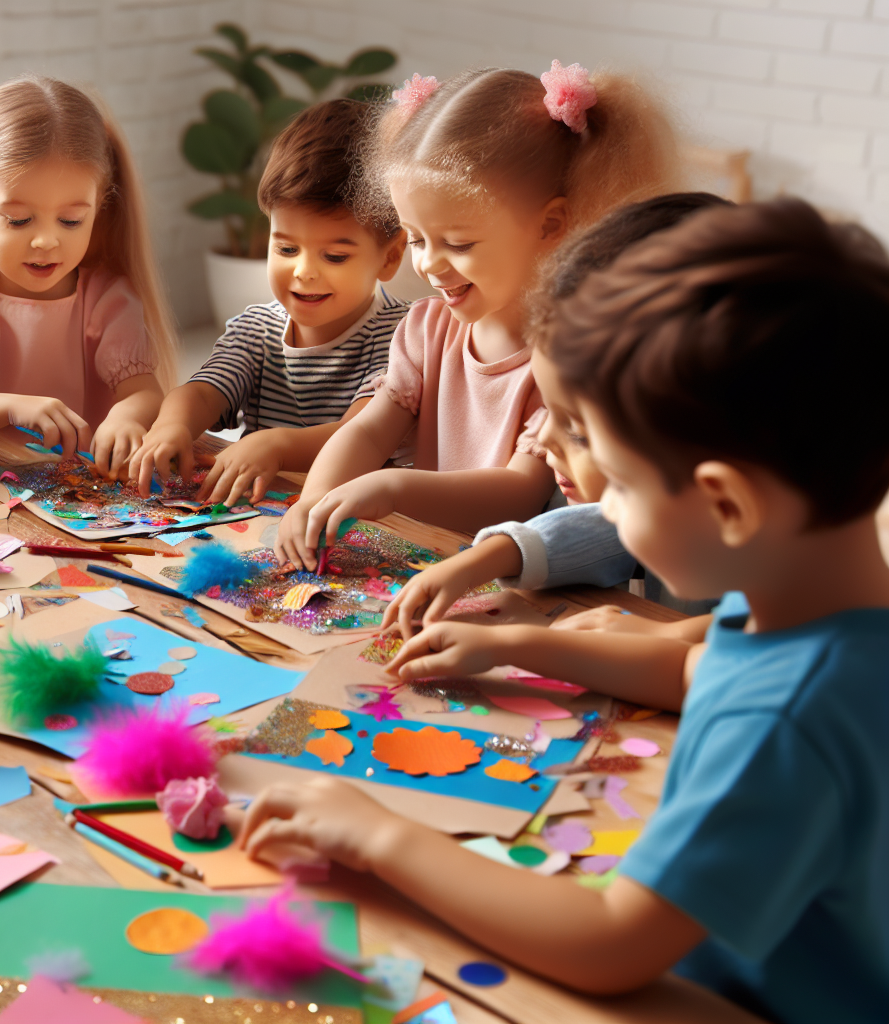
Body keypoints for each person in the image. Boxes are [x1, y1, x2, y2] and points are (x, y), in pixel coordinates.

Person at [246, 199, 889, 1021]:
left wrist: (378, 835)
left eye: (616, 483)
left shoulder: (788, 716)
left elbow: (611, 944)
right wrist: (524, 646)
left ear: (726, 504)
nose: (601, 506)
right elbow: (695, 664)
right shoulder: (811, 611)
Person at [277, 62, 677, 566]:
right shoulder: (428, 326)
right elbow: (367, 429)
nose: (427, 264)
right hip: (426, 560)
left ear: (550, 225)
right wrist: (315, 498)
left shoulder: (567, 356)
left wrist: (394, 486)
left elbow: (520, 492)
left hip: (521, 578)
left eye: (459, 243)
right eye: (416, 238)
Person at [382, 192, 731, 641]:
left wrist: (660, 639)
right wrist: (482, 561)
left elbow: (734, 656)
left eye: (580, 432)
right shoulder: (681, 501)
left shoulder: (800, 598)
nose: (544, 438)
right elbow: (610, 526)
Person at [0, 76, 179, 474]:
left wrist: (127, 417)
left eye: (71, 221)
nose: (45, 241)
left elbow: (144, 392)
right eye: (19, 220)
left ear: (99, 208)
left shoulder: (107, 299)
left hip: (88, 492)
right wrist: (14, 406)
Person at [130, 100, 411, 506]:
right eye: (285, 247)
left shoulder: (404, 337)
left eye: (334, 256)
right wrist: (172, 425)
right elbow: (204, 391)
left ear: (389, 256)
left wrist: (277, 445)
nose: (304, 271)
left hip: (356, 523)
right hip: (256, 518)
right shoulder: (256, 328)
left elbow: (362, 433)